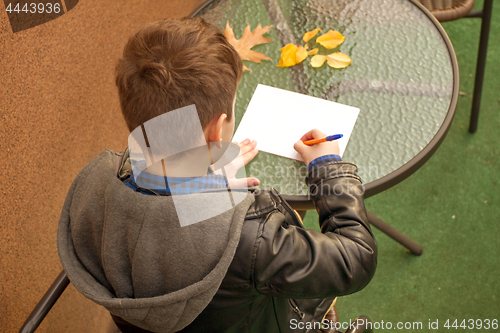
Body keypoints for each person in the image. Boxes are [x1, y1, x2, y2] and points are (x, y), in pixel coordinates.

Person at [57, 17, 377, 333]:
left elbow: (156, 226)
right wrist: (328, 167)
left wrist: (207, 183)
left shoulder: (93, 182)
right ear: (216, 129)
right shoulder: (253, 236)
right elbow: (357, 259)